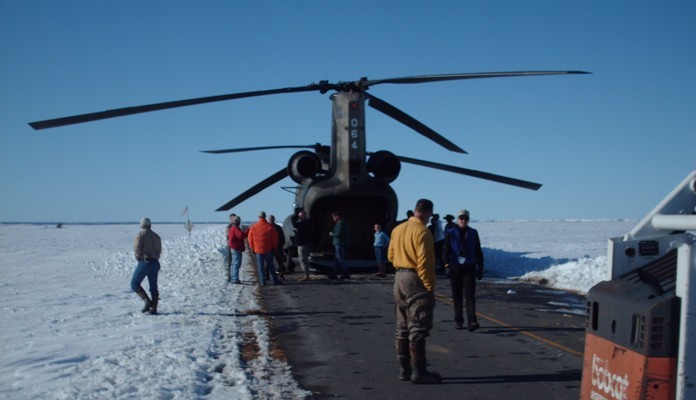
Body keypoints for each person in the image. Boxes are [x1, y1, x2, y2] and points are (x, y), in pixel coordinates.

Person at [388, 199, 441, 384]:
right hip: (415, 279)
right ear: (427, 213)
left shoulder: (398, 229)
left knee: (402, 326)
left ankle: (404, 370)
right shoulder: (423, 232)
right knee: (418, 325)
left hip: (399, 278)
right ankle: (419, 372)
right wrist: (429, 286)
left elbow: (390, 255)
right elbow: (425, 264)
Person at [442, 209, 484, 332]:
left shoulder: (473, 233)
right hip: (455, 267)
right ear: (457, 219)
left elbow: (478, 250)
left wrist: (480, 267)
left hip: (469, 267)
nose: (463, 221)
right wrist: (446, 265)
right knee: (457, 295)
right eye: (461, 218)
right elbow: (445, 250)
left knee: (470, 295)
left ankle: (472, 321)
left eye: (465, 219)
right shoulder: (451, 232)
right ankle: (458, 320)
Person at [131, 217, 162, 315]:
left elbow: (137, 249)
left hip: (145, 262)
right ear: (150, 225)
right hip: (155, 262)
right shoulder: (156, 236)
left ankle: (147, 302)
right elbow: (159, 250)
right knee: (153, 287)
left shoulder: (140, 235)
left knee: (134, 283)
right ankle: (154, 308)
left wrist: (139, 259)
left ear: (141, 225)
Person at [248, 211, 281, 285]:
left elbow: (250, 238)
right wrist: (274, 248)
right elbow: (275, 238)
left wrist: (252, 247)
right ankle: (274, 280)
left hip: (258, 250)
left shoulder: (254, 227)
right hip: (268, 249)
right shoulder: (270, 227)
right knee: (270, 265)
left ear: (258, 217)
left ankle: (263, 281)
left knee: (260, 266)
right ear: (265, 217)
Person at [292, 210, 313, 281]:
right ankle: (305, 274)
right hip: (304, 243)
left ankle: (306, 275)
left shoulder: (304, 223)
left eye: (300, 216)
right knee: (303, 259)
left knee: (302, 259)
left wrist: (294, 217)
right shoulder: (306, 222)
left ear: (303, 215)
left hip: (303, 244)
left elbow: (295, 224)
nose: (299, 217)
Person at [329, 211, 349, 279]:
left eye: (334, 217)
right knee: (337, 259)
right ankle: (334, 274)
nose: (333, 219)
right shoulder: (340, 223)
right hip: (338, 243)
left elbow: (338, 233)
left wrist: (332, 234)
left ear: (337, 216)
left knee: (340, 258)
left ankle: (346, 274)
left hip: (339, 243)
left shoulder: (340, 223)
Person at [227, 215, 246, 284]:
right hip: (236, 248)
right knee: (236, 264)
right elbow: (241, 235)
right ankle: (235, 279)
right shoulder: (235, 228)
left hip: (234, 247)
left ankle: (233, 278)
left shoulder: (232, 228)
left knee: (234, 264)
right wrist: (246, 232)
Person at [269, 215, 286, 280]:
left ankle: (268, 275)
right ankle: (281, 274)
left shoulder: (269, 227)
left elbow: (282, 238)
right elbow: (282, 238)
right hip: (277, 247)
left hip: (274, 247)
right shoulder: (278, 227)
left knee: (272, 262)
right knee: (278, 262)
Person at [224, 213, 237, 281]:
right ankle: (230, 276)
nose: (234, 219)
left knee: (235, 262)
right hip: (230, 246)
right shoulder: (229, 226)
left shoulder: (236, 226)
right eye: (233, 218)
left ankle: (234, 275)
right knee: (230, 261)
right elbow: (228, 237)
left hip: (235, 246)